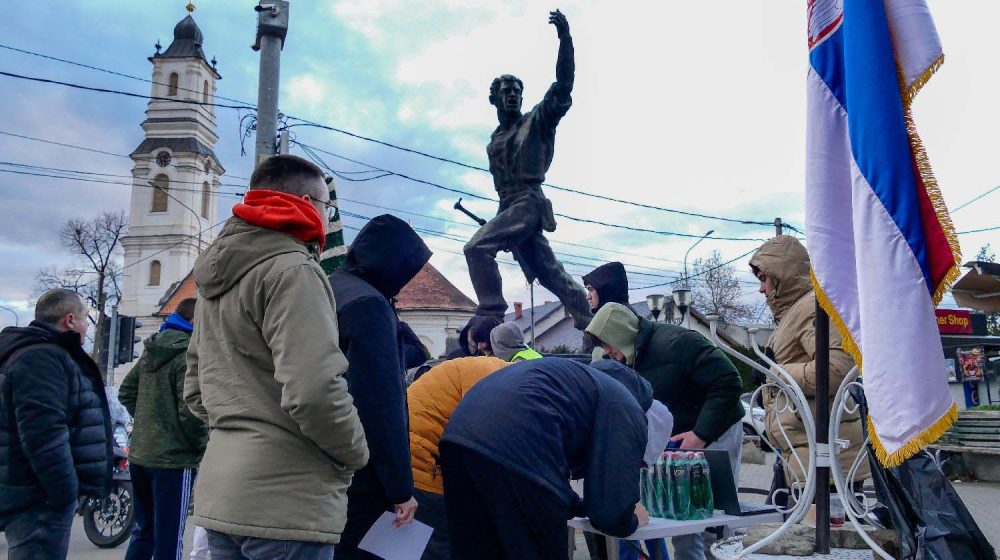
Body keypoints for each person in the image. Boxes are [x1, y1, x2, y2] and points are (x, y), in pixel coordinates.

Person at [184, 154, 369, 560]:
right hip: (287, 500)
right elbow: (315, 390)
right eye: (328, 205)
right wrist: (355, 452)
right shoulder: (293, 270)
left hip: (221, 495)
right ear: (308, 201)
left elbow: (196, 390)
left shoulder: (215, 278)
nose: (327, 215)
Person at [439, 357, 651, 560]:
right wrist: (630, 520)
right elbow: (609, 513)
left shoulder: (571, 380)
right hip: (516, 443)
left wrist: (578, 505)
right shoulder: (625, 403)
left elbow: (554, 488)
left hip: (458, 438)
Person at [463, 10, 592, 332]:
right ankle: (594, 328)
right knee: (552, 275)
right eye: (505, 92)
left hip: (530, 203)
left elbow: (564, 84)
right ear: (493, 99)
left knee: (476, 248)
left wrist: (565, 40)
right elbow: (502, 190)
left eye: (516, 91)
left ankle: (491, 314)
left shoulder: (538, 120)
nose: (512, 96)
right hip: (511, 208)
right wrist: (500, 221)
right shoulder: (495, 140)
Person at [586, 302, 744, 560]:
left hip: (717, 430)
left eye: (607, 343)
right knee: (682, 517)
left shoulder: (679, 342)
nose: (606, 351)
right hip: (680, 440)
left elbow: (728, 381)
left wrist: (701, 434)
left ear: (620, 334)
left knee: (715, 517)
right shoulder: (627, 358)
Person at [329, 214, 432, 559]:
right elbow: (380, 405)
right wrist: (401, 488)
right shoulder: (370, 305)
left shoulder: (332, 286)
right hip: (363, 473)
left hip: (324, 461)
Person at [749, 235, 869, 495]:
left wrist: (772, 374)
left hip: (825, 457)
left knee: (817, 534)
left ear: (782, 275)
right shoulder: (796, 311)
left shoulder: (812, 308)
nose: (761, 289)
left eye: (763, 280)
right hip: (805, 453)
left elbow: (837, 369)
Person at [0, 288, 112, 560]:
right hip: (38, 497)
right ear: (70, 320)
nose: (87, 326)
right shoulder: (43, 358)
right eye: (86, 318)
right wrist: (64, 494)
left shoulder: (34, 352)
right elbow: (43, 435)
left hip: (30, 490)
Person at [119, 297, 207, 560]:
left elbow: (126, 391)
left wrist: (149, 423)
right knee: (170, 539)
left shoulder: (152, 348)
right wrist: (203, 445)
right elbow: (190, 409)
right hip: (173, 461)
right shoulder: (187, 355)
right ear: (194, 321)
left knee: (144, 532)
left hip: (141, 456)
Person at [408, 355, 510, 560]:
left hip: (414, 457)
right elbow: (481, 438)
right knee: (438, 545)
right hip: (425, 465)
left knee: (419, 547)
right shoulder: (495, 379)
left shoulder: (491, 371)